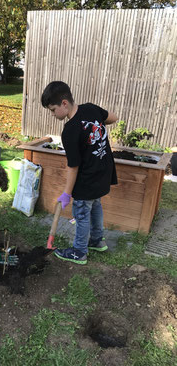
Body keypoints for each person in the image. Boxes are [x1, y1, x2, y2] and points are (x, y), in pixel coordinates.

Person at [41, 81, 118, 265]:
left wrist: (67, 193)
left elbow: (73, 167)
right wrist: (97, 123)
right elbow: (113, 118)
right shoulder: (91, 108)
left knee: (82, 213)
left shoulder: (70, 130)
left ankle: (79, 251)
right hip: (103, 173)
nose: (52, 115)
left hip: (87, 180)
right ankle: (97, 240)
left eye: (53, 110)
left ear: (64, 103)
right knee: (96, 205)